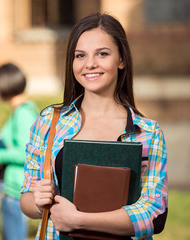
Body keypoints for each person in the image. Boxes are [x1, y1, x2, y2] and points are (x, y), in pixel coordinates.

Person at [20, 12, 168, 240]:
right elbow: (27, 199)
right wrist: (39, 202)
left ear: (121, 60)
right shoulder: (49, 121)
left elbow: (154, 214)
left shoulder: (147, 133)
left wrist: (78, 220)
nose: (90, 64)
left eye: (102, 54)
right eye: (80, 55)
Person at [0, 63, 39, 240]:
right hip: (13, 186)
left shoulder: (23, 113)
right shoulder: (23, 110)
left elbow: (25, 153)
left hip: (15, 189)